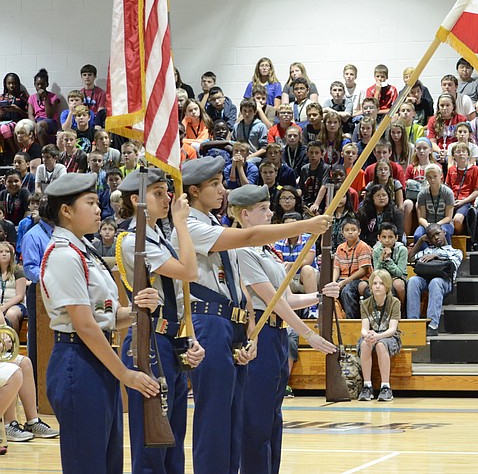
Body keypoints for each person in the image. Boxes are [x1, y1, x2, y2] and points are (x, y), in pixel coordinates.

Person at [176, 156, 330, 474]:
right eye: (215, 185)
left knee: (235, 422)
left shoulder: (210, 226)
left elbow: (240, 291)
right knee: (216, 420)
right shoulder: (191, 226)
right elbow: (250, 237)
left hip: (232, 325)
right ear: (193, 191)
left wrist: (249, 331)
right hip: (209, 321)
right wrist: (305, 226)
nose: (223, 190)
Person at [40, 173, 162, 473]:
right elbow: (85, 325)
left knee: (108, 463)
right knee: (88, 463)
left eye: (98, 202)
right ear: (66, 211)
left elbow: (106, 317)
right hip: (77, 361)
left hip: (95, 360)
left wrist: (137, 310)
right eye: (90, 203)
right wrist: (125, 374)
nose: (99, 209)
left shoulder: (86, 251)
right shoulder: (63, 255)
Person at [226, 184, 338, 474]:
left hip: (276, 336)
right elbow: (271, 301)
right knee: (257, 420)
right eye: (263, 209)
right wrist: (308, 334)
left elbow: (286, 298)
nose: (271, 212)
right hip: (260, 335)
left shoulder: (267, 251)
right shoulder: (242, 250)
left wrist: (319, 295)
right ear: (245, 215)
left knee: (274, 419)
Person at [115, 168, 205, 474]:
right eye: (157, 193)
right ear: (136, 199)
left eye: (167, 191)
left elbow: (180, 298)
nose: (167, 198)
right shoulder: (132, 240)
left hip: (169, 340)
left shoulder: (158, 237)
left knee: (173, 439)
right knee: (152, 439)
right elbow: (189, 272)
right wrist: (181, 223)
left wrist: (189, 339)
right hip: (149, 341)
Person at [407, 224, 463, 337]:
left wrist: (435, 256)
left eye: (438, 233)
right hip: (425, 279)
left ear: (444, 232)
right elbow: (411, 259)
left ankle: (433, 325)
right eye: (432, 237)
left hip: (444, 281)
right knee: (413, 280)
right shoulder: (427, 250)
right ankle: (413, 323)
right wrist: (420, 241)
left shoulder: (456, 252)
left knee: (435, 282)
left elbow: (452, 266)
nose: (436, 237)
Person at [357, 269, 402, 402]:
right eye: (374, 283)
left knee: (381, 345)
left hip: (389, 337)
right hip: (372, 335)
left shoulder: (394, 302)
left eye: (381, 283)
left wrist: (377, 336)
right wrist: (368, 335)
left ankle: (385, 387)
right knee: (365, 344)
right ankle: (367, 386)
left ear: (387, 286)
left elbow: (392, 329)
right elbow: (363, 329)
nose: (377, 286)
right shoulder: (365, 303)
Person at [335, 218, 374, 319]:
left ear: (359, 232)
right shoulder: (340, 248)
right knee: (328, 289)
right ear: (342, 232)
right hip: (342, 279)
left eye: (353, 230)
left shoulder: (363, 246)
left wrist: (344, 282)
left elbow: (363, 271)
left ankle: (351, 320)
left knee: (347, 290)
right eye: (347, 230)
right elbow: (336, 268)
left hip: (360, 279)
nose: (350, 232)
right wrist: (333, 282)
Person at [414, 163, 455, 243]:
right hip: (428, 224)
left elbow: (448, 217)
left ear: (441, 176)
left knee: (444, 233)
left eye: (435, 176)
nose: (432, 180)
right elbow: (421, 217)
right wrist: (428, 226)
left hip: (444, 223)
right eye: (429, 177)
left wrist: (436, 225)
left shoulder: (448, 192)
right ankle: (424, 254)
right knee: (418, 236)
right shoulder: (422, 194)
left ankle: (446, 253)